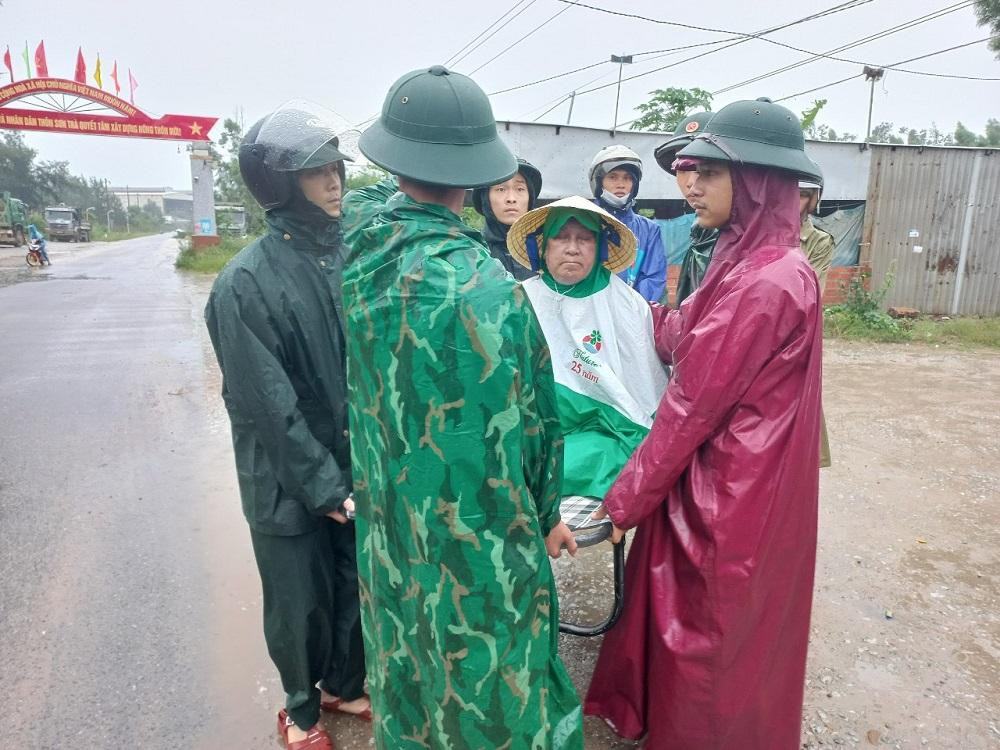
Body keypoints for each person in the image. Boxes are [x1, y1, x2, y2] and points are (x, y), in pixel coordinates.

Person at [340, 65, 584, 750]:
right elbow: (538, 426)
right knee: (487, 673)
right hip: (478, 538)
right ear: (475, 174)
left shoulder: (359, 260)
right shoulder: (491, 291)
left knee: (405, 651)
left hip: (391, 525)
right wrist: (545, 516)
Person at [585, 97, 825, 749]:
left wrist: (619, 504)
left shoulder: (766, 282)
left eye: (709, 172)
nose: (689, 184)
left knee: (707, 638)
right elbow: (677, 332)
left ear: (758, 181)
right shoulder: (746, 262)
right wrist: (601, 295)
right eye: (687, 169)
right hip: (731, 485)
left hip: (728, 495)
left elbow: (690, 408)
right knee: (705, 629)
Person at [204, 105, 370, 750]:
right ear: (278, 184)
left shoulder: (352, 255)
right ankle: (301, 712)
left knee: (353, 588)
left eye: (335, 168)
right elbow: (268, 406)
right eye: (315, 173)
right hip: (285, 477)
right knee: (299, 602)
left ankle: (344, 686)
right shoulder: (244, 282)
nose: (334, 183)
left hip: (354, 463)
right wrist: (323, 487)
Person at [505, 195, 668, 499]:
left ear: (600, 248)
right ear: (543, 246)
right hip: (533, 430)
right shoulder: (519, 299)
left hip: (604, 431)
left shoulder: (626, 303)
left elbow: (641, 392)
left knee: (591, 459)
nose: (572, 248)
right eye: (561, 237)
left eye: (585, 239)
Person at [653, 112, 718, 306]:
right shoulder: (700, 233)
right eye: (682, 169)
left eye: (702, 168)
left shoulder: (746, 241)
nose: (690, 182)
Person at [588, 145, 667, 302]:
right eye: (613, 177)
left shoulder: (649, 230)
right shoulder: (583, 223)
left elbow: (653, 279)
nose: (621, 184)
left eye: (628, 178)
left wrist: (627, 310)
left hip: (631, 314)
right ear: (598, 181)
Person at [799, 177, 835, 468]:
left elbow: (811, 294)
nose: (792, 202)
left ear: (812, 201)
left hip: (797, 333)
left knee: (800, 403)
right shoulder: (753, 233)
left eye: (802, 195)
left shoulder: (819, 241)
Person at [472, 157, 543, 280]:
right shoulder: (472, 251)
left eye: (520, 189)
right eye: (500, 189)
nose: (511, 198)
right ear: (485, 198)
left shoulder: (547, 251)